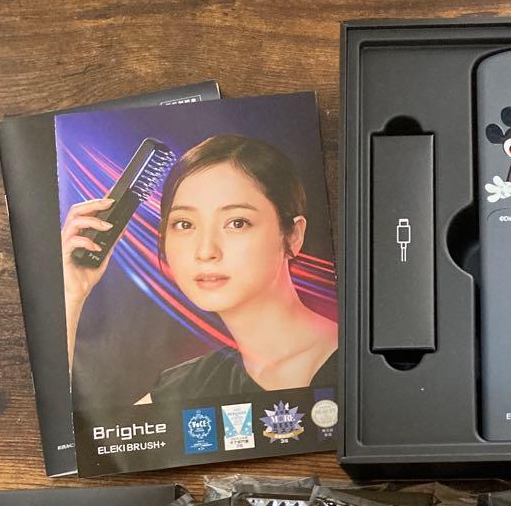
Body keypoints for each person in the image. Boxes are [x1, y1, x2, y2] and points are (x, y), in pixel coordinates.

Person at [61, 135, 337, 404]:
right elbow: (74, 430)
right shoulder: (185, 389)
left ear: (292, 236)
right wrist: (71, 294)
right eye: (184, 224)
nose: (205, 251)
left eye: (237, 223)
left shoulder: (350, 357)